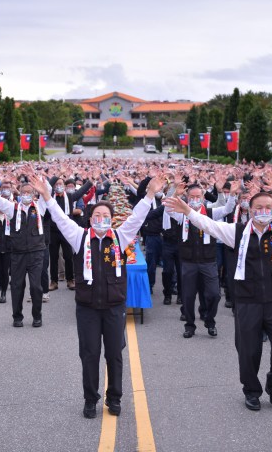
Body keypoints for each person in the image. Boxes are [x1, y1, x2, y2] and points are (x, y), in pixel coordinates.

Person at [27, 170, 165, 419]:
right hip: (87, 308)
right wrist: (47, 195)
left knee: (114, 354)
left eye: (106, 216)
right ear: (90, 219)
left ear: (112, 219)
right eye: (97, 215)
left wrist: (151, 193)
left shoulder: (120, 238)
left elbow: (136, 218)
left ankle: (114, 398)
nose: (101, 219)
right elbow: (59, 218)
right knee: (89, 355)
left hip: (114, 307)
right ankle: (90, 399)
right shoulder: (79, 237)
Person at [164, 168, 272, 411]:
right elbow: (209, 225)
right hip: (248, 301)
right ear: (249, 210)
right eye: (257, 208)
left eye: (267, 207)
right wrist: (188, 211)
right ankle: (251, 390)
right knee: (248, 352)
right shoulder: (237, 232)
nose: (262, 212)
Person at [164, 182, 237, 338]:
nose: (195, 199)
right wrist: (174, 193)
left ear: (203, 197)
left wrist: (231, 194)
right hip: (188, 261)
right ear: (187, 198)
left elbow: (227, 209)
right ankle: (190, 325)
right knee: (188, 296)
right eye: (192, 197)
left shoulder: (210, 212)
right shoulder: (181, 213)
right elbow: (168, 208)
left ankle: (210, 321)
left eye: (198, 196)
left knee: (214, 295)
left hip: (208, 261)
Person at [0, 168, 49, 328]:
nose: (26, 195)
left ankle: (37, 316)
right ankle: (17, 316)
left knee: (36, 286)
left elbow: (48, 192)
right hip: (17, 254)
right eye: (23, 192)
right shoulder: (13, 208)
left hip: (36, 252)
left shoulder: (40, 207)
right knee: (17, 286)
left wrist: (39, 179)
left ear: (34, 194)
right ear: (19, 194)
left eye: (30, 192)